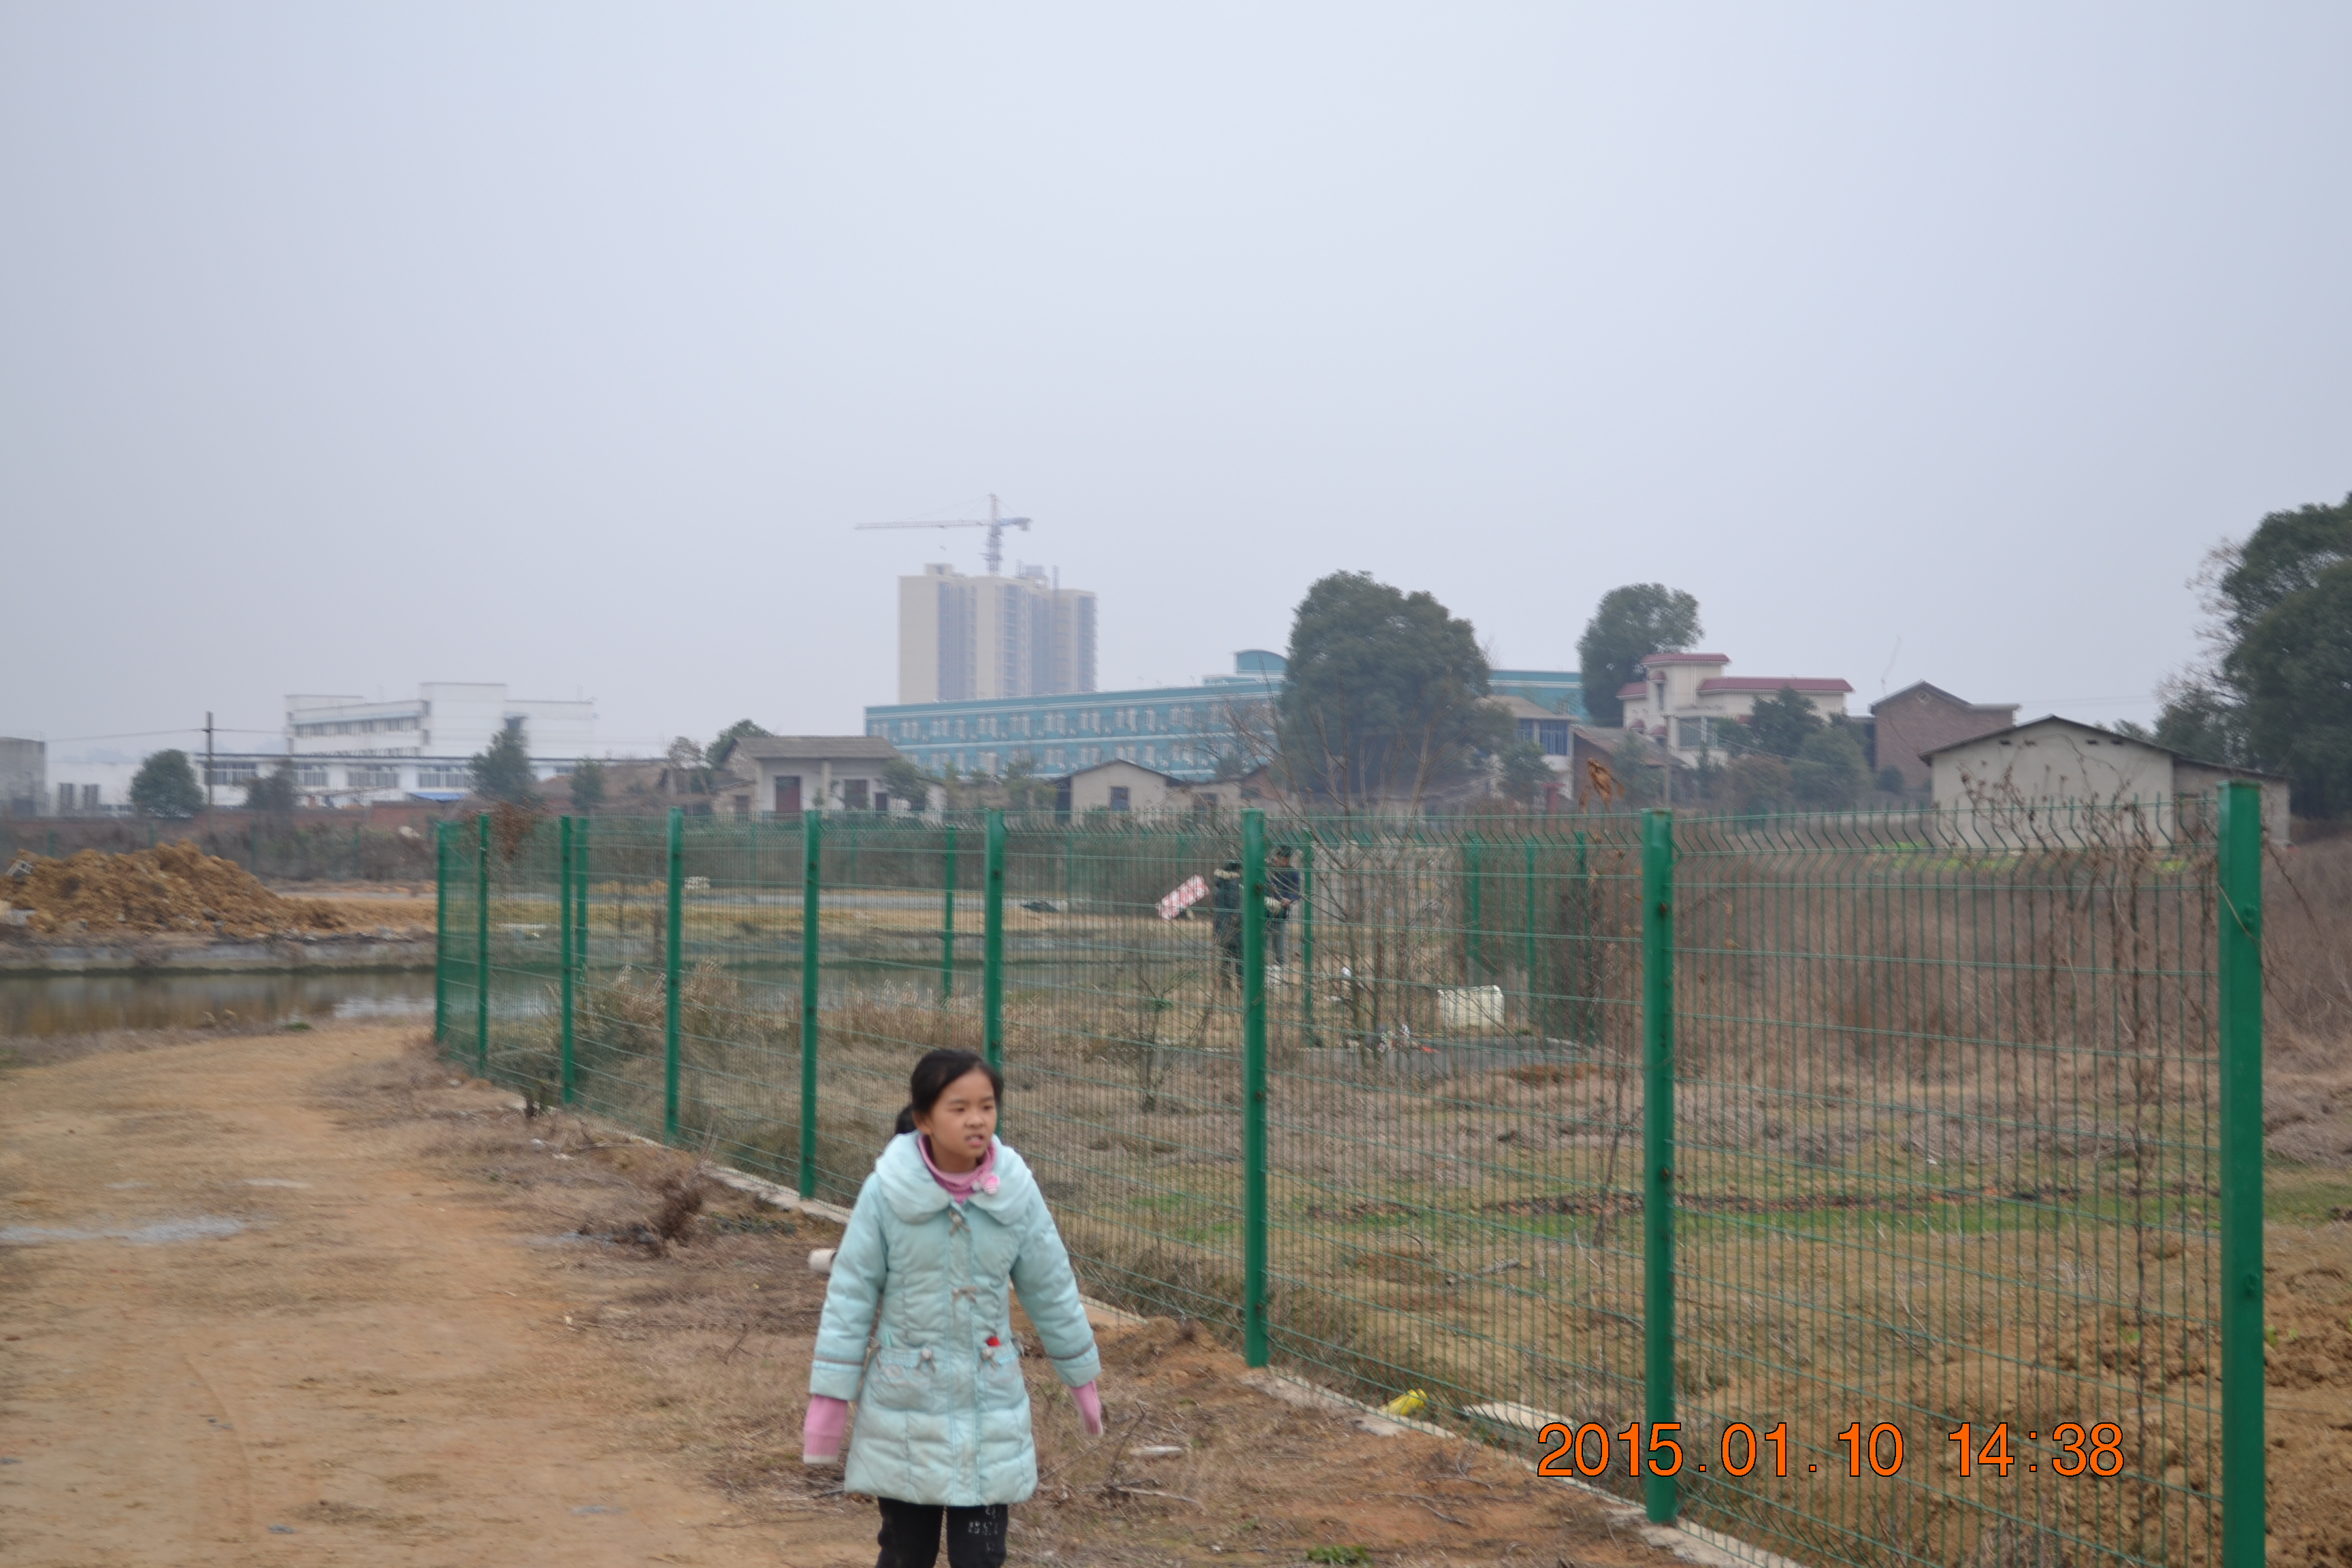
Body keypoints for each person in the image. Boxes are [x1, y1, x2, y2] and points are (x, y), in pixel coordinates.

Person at [802, 1048, 1105, 1568]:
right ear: (924, 1119)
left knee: (983, 1558)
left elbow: (1051, 1288)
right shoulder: (886, 1193)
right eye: (958, 1107)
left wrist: (1082, 1378)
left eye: (987, 1107)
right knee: (904, 1555)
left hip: (992, 1409)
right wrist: (830, 1402)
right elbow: (851, 1297)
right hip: (905, 1409)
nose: (976, 1120)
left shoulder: (1015, 1192)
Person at [1267, 847, 1303, 979]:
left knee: (1279, 948)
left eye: (1279, 858)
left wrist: (1289, 900)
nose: (1276, 860)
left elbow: (1296, 893)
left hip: (1280, 914)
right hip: (1264, 912)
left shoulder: (1292, 873)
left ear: (1285, 860)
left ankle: (1281, 976)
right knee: (1262, 947)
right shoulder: (1270, 871)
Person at [1209, 859, 1244, 992]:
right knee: (1240, 956)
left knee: (1227, 954)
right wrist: (1240, 920)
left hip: (1221, 926)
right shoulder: (1234, 884)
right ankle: (1242, 983)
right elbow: (1235, 906)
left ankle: (1225, 982)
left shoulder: (1220, 884)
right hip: (1233, 927)